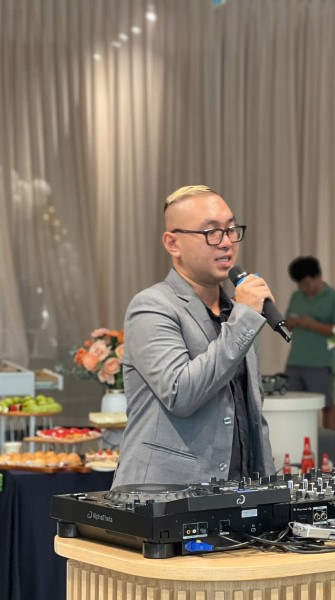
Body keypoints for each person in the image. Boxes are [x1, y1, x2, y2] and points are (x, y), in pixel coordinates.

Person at [112, 185, 275, 487]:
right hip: (165, 493)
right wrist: (244, 319)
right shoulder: (151, 306)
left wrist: (268, 487)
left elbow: (252, 412)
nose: (226, 242)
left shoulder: (235, 312)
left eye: (231, 230)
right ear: (172, 243)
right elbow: (181, 394)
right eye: (211, 232)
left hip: (236, 491)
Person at [284, 256, 335, 431]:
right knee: (291, 403)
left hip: (321, 362)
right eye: (299, 285)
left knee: (327, 404)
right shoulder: (296, 296)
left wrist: (313, 325)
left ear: (318, 276)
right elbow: (286, 325)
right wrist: (290, 322)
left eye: (306, 283)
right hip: (295, 361)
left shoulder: (334, 297)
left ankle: (332, 442)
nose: (303, 288)